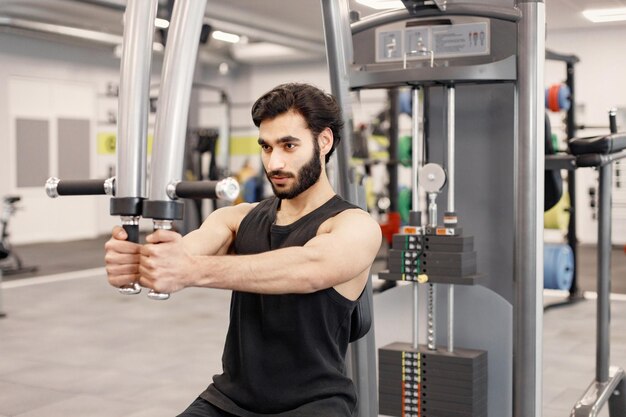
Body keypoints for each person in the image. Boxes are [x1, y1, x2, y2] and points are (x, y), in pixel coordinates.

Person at [104, 83, 382, 417]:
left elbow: (309, 269)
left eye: (288, 145)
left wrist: (190, 271)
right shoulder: (238, 218)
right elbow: (184, 254)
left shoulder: (353, 225)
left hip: (314, 405)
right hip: (228, 401)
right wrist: (138, 263)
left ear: (324, 141)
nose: (274, 162)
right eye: (266, 147)